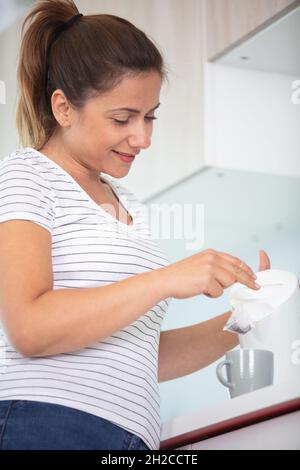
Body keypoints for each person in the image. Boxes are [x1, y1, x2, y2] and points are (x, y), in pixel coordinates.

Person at [0, 0, 270, 451]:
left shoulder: (127, 204)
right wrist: (165, 280)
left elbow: (139, 356)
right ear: (64, 108)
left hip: (132, 439)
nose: (142, 138)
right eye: (122, 118)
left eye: (150, 117)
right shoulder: (28, 175)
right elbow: (31, 328)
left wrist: (245, 319)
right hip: (48, 424)